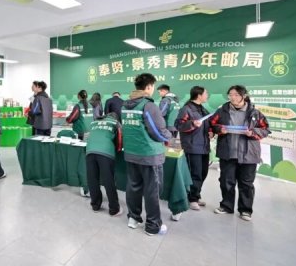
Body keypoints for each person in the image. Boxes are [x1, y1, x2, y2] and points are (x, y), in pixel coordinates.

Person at [210, 85, 271, 221]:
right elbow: (212, 124)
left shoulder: (255, 113)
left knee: (246, 183)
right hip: (228, 152)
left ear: (244, 96)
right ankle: (226, 206)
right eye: (230, 94)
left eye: (236, 95)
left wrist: (253, 132)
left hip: (249, 154)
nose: (233, 97)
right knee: (226, 181)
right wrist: (219, 129)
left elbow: (266, 129)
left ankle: (245, 210)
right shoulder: (222, 111)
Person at [122, 73, 172, 236]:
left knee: (133, 187)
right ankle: (152, 225)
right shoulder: (148, 105)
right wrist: (169, 136)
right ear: (149, 86)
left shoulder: (125, 105)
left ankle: (133, 218)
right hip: (149, 155)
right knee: (152, 191)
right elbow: (158, 131)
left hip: (131, 153)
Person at [175, 86, 211, 211]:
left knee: (203, 172)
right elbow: (179, 125)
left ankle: (196, 194)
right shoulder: (187, 109)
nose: (207, 95)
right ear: (199, 95)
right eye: (206, 93)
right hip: (192, 146)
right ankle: (192, 198)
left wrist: (211, 131)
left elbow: (207, 125)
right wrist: (192, 123)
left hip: (204, 146)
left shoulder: (203, 109)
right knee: (195, 173)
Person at [86, 113, 123, 216]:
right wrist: (117, 149)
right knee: (108, 180)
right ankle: (114, 209)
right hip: (106, 152)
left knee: (92, 179)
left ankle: (95, 205)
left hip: (90, 151)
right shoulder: (115, 123)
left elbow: (89, 136)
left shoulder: (94, 122)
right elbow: (120, 142)